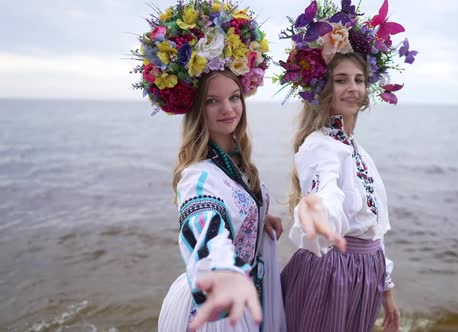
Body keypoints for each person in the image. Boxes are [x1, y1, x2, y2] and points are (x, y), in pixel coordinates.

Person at [131, 1, 286, 331]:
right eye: (212, 101)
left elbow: (231, 205)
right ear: (196, 109)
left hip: (249, 295)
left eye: (233, 97)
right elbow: (205, 227)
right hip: (221, 310)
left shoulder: (236, 161)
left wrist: (257, 217)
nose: (228, 109)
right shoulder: (197, 176)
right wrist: (223, 272)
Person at [275, 0, 417, 331]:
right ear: (324, 88)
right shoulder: (320, 146)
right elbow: (326, 191)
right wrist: (317, 212)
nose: (352, 87)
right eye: (340, 80)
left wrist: (387, 288)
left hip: (364, 277)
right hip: (331, 275)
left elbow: (374, 229)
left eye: (359, 79)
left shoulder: (360, 152)